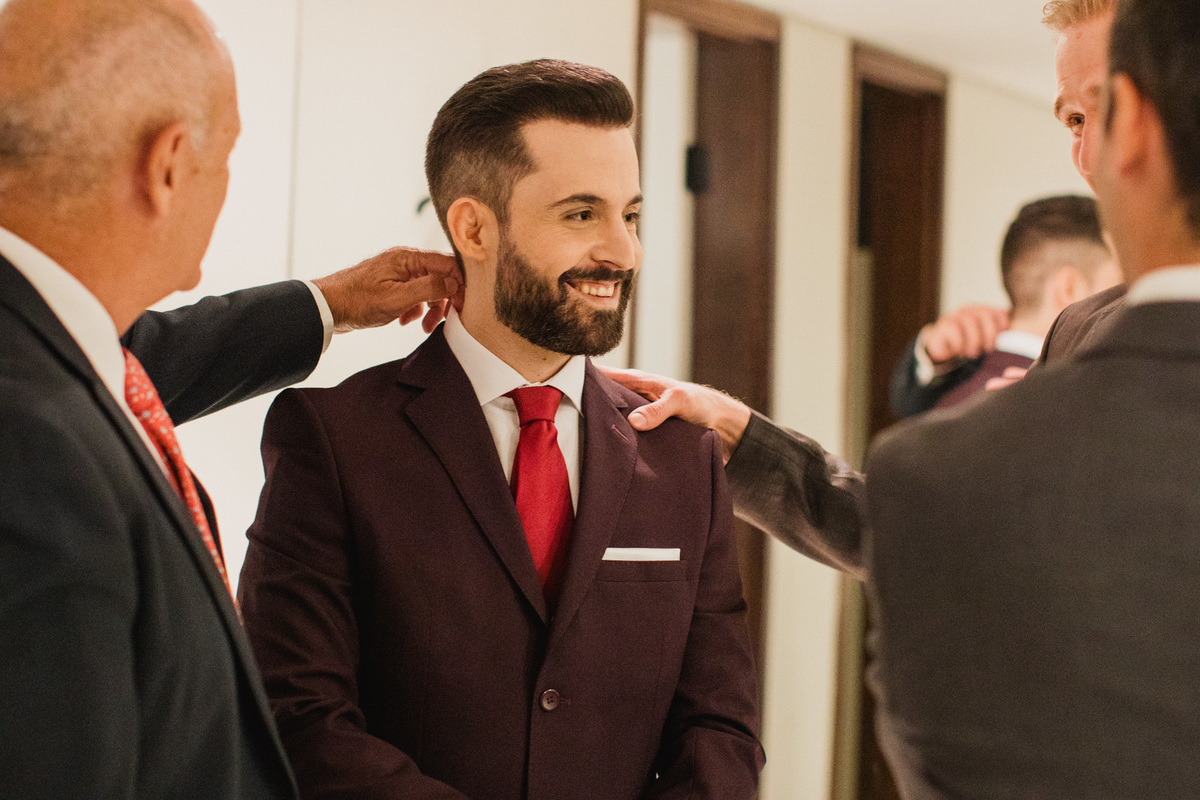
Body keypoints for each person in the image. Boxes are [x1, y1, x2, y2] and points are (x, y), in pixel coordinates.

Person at [238, 59, 763, 800]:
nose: (623, 251)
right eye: (582, 214)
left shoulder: (681, 456)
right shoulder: (335, 441)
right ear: (474, 227)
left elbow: (720, 728)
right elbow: (296, 719)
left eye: (632, 215)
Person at [0, 0, 457, 796]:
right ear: (169, 164)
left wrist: (331, 302)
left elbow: (127, 362)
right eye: (229, 156)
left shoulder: (41, 342)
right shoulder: (31, 443)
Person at [601, 0, 1120, 576]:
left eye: (1110, 109)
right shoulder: (1078, 329)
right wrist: (734, 431)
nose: (1087, 156)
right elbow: (935, 531)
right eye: (1073, 121)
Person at [864, 0, 1200, 791]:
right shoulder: (1072, 342)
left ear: (1140, 128)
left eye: (1096, 113)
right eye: (1069, 120)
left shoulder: (942, 471)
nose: (1082, 154)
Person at [892, 194, 1119, 413]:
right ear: (1070, 289)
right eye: (1122, 284)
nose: (1130, 300)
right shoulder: (1050, 407)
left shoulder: (957, 396)